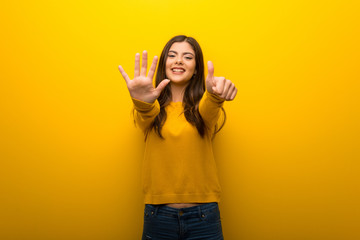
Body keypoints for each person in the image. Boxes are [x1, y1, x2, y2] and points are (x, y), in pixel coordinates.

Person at [118, 35, 237, 240]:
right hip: (158, 217)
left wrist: (216, 94)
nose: (179, 60)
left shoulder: (203, 109)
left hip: (204, 217)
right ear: (164, 64)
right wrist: (141, 101)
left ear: (196, 68)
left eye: (187, 57)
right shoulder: (151, 110)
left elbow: (211, 107)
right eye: (172, 55)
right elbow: (145, 115)